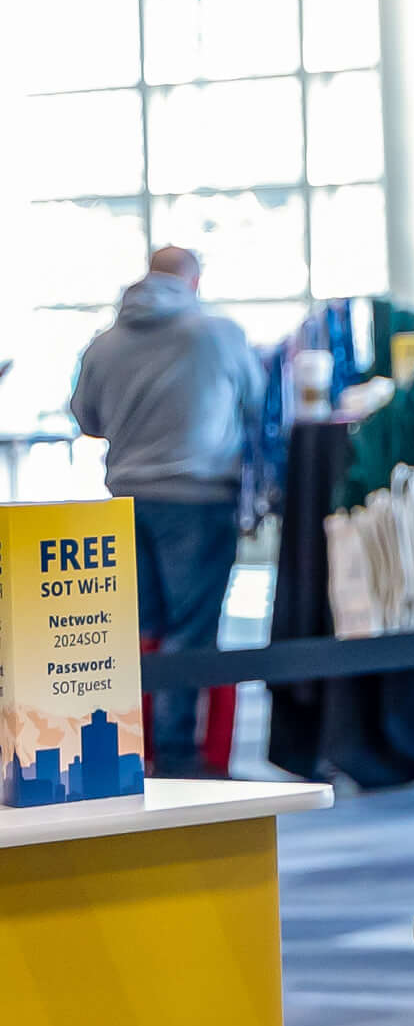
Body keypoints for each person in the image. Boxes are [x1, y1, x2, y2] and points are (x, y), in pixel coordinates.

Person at [74, 244, 263, 777]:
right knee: (191, 630)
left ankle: (141, 749)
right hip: (198, 499)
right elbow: (257, 398)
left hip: (125, 499)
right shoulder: (217, 334)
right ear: (194, 281)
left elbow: (87, 419)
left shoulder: (105, 343)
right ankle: (182, 756)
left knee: (141, 627)